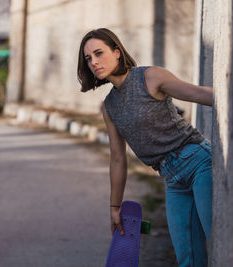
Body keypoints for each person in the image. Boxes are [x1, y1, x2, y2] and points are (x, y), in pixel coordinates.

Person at [77, 28, 213, 267]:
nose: (94, 62)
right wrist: (115, 207)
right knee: (187, 259)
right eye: (88, 58)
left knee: (218, 234)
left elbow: (198, 94)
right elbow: (118, 159)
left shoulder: (150, 77)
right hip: (172, 180)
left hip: (199, 163)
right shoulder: (109, 107)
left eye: (99, 53)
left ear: (117, 52)